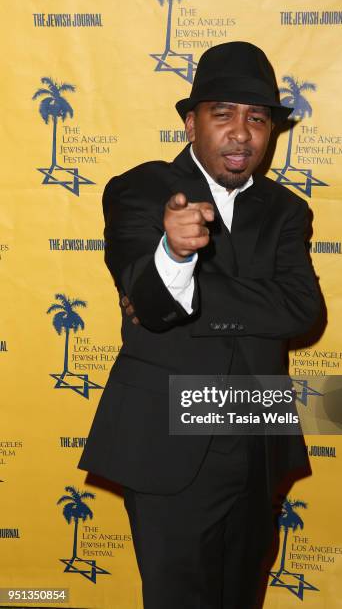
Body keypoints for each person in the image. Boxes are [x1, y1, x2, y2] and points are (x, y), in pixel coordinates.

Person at [78, 41, 321, 609]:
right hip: (168, 438)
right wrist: (172, 257)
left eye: (257, 119)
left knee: (242, 595)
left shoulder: (287, 210)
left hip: (257, 436)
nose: (242, 133)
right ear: (191, 123)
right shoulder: (140, 188)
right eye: (224, 115)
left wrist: (184, 289)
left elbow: (301, 310)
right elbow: (153, 302)